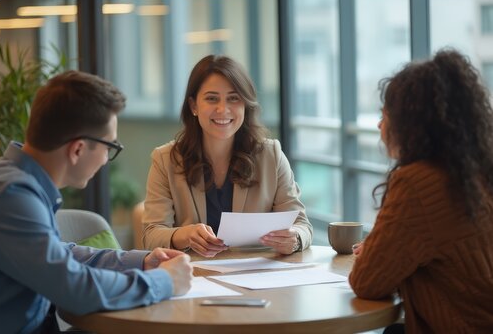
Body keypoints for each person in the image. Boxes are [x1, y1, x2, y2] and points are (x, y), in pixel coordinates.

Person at [0, 70, 193, 333]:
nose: (105, 160)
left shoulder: (16, 182)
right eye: (109, 148)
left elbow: (59, 255)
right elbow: (76, 289)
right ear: (77, 149)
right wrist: (164, 281)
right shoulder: (11, 196)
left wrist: (142, 261)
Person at [348, 49, 493, 332]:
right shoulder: (478, 171)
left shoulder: (418, 183)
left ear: (410, 123)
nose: (380, 125)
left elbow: (366, 282)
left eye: (385, 115)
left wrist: (378, 253)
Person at [142, 55, 313, 257]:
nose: (223, 109)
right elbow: (150, 237)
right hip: (194, 278)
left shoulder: (271, 155)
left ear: (245, 105)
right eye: (212, 98)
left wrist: (294, 239)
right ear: (193, 106)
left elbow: (302, 225)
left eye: (233, 98)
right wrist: (184, 234)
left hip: (258, 279)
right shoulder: (165, 160)